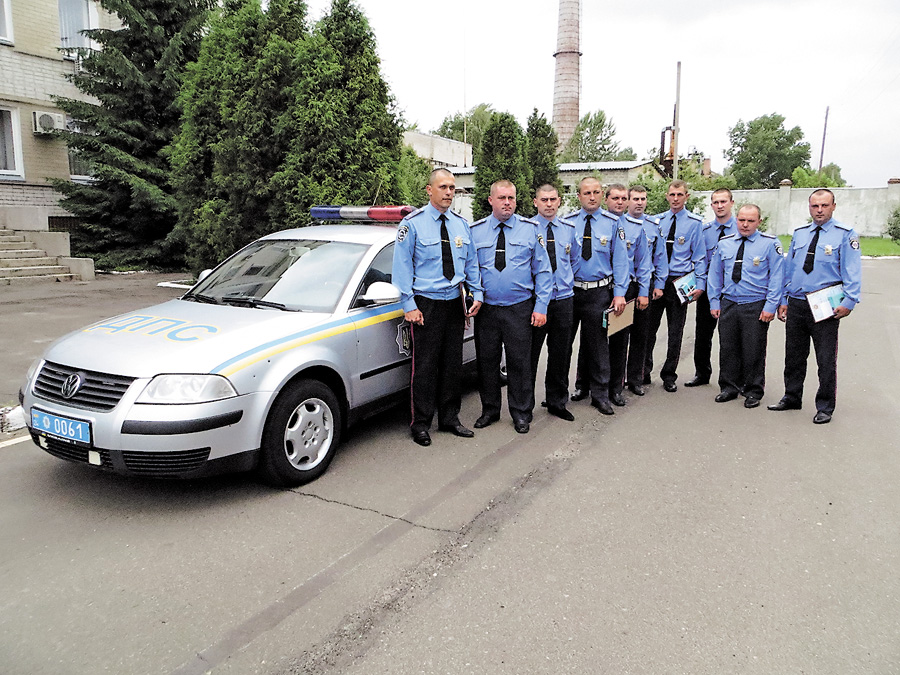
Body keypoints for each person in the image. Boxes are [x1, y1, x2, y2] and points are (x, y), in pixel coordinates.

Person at [392, 168, 483, 447]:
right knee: (426, 367)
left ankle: (450, 418)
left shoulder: (461, 224)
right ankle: (420, 423)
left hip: (454, 301)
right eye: (443, 187)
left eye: (453, 188)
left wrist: (475, 293)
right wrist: (409, 304)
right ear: (429, 190)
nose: (449, 192)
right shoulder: (413, 224)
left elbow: (471, 264)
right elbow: (402, 267)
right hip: (425, 303)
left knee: (452, 364)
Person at [768, 189, 862, 424]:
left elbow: (852, 271)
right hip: (798, 303)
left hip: (825, 305)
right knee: (794, 356)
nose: (819, 210)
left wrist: (849, 301)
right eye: (815, 206)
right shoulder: (800, 234)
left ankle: (825, 406)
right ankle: (792, 396)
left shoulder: (845, 235)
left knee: (825, 359)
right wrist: (783, 299)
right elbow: (789, 270)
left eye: (824, 205)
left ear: (833, 206)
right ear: (809, 208)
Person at [470, 180, 553, 434]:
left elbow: (544, 271)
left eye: (512, 198)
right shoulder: (476, 232)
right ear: (490, 200)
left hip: (519, 307)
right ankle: (490, 410)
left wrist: (541, 306)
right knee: (487, 361)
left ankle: (521, 413)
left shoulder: (531, 230)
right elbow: (470, 271)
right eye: (503, 198)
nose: (508, 202)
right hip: (488, 309)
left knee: (520, 362)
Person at [707, 204, 784, 408]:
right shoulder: (724, 243)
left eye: (751, 221)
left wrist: (771, 305)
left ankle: (753, 390)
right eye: (742, 220)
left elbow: (777, 276)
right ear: (736, 219)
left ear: (759, 221)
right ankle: (729, 387)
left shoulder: (769, 244)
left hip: (755, 303)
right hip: (729, 302)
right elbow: (715, 274)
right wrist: (714, 301)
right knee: (728, 347)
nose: (745, 224)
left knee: (753, 349)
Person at [566, 177, 629, 415]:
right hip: (571, 292)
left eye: (595, 192)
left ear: (602, 195)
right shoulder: (568, 223)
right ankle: (561, 394)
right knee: (564, 346)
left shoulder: (613, 223)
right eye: (586, 193)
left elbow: (621, 261)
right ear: (579, 196)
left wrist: (620, 293)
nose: (591, 197)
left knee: (598, 346)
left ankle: (600, 395)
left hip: (599, 292)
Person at [644, 179, 706, 392]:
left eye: (680, 195)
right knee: (648, 329)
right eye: (672, 195)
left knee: (675, 331)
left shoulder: (695, 223)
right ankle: (644, 371)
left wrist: (700, 283)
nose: (676, 199)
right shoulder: (656, 221)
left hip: (681, 281)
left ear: (687, 196)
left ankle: (669, 374)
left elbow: (699, 256)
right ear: (667, 196)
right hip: (657, 281)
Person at [529, 184, 580, 421]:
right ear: (535, 202)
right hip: (536, 301)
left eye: (552, 199)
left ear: (559, 201)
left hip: (563, 300)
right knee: (529, 354)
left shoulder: (569, 229)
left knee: (561, 353)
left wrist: (564, 282)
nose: (548, 204)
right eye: (544, 200)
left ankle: (557, 401)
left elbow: (574, 261)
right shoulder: (526, 229)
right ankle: (524, 405)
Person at [605, 184, 652, 406]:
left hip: (626, 289)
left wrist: (643, 291)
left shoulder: (635, 227)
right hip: (601, 289)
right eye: (616, 198)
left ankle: (618, 387)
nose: (620, 202)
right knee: (593, 340)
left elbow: (643, 263)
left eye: (624, 198)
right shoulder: (598, 224)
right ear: (607, 200)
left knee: (622, 341)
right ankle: (585, 384)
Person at [686, 188, 737, 387]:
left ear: (731, 203)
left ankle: (733, 378)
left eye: (723, 201)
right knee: (703, 335)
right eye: (716, 202)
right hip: (709, 290)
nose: (720, 205)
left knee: (731, 338)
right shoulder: (705, 232)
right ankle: (702, 373)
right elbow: (699, 261)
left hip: (733, 291)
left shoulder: (740, 229)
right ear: (711, 205)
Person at [625, 185, 667, 395]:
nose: (639, 202)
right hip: (623, 287)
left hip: (644, 285)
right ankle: (617, 378)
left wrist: (659, 284)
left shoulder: (653, 226)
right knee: (619, 335)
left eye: (643, 198)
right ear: (627, 201)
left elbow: (660, 258)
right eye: (635, 199)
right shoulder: (619, 224)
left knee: (642, 335)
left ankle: (635, 379)